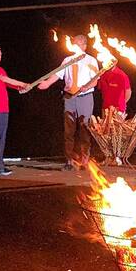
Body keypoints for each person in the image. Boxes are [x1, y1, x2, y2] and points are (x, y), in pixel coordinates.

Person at [37, 34, 99, 171]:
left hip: (85, 97)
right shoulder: (68, 60)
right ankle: (70, 160)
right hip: (69, 97)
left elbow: (95, 79)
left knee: (85, 128)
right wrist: (47, 83)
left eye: (80, 43)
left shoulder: (91, 60)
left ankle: (85, 159)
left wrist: (87, 86)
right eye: (75, 42)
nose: (77, 45)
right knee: (69, 130)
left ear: (84, 46)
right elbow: (58, 74)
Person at [0, 44, 28, 177]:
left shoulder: (1, 69)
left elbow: (8, 83)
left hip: (4, 108)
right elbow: (3, 79)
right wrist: (21, 83)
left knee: (1, 138)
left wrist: (21, 88)